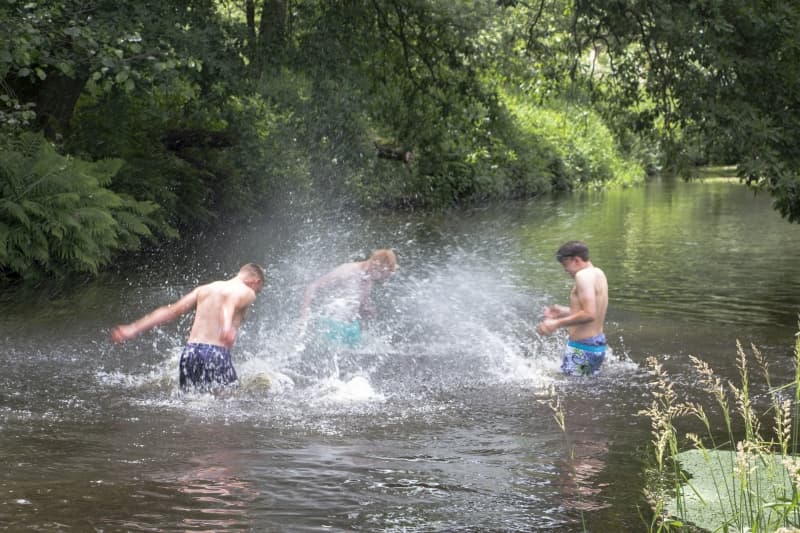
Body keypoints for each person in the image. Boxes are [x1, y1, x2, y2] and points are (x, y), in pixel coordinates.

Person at [111, 263, 266, 391]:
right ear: (256, 281)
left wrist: (133, 328)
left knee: (192, 403)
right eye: (258, 291)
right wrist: (226, 327)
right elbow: (230, 302)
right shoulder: (247, 291)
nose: (255, 294)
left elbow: (172, 311)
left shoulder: (205, 289)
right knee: (229, 404)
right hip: (215, 353)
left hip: (190, 353)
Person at [536, 241, 608, 376]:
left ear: (576, 260)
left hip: (583, 348)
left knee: (572, 395)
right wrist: (564, 311)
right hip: (596, 345)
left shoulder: (583, 276)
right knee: (585, 389)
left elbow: (589, 314)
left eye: (565, 265)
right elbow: (595, 312)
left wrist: (555, 323)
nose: (565, 270)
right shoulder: (598, 273)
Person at [301, 249, 397, 346]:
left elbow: (357, 303)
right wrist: (304, 317)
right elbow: (312, 287)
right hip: (330, 325)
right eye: (382, 275)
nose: (382, 279)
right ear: (375, 265)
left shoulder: (368, 278)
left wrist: (368, 310)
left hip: (351, 327)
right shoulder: (347, 271)